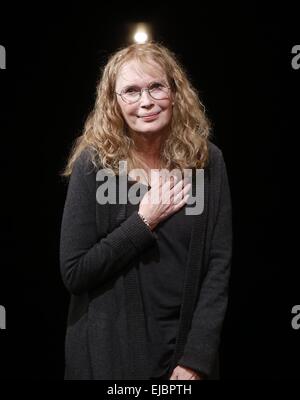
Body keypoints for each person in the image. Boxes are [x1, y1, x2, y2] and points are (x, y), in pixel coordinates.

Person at [59, 41, 232, 380]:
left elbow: (218, 266)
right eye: (131, 91)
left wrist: (197, 358)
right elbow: (76, 272)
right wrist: (144, 220)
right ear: (114, 103)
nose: (146, 101)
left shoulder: (207, 162)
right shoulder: (94, 167)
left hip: (182, 356)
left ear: (175, 91)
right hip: (109, 355)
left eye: (156, 86)